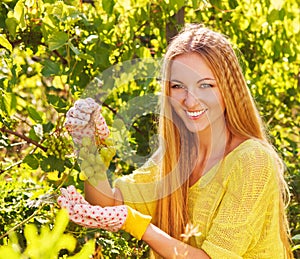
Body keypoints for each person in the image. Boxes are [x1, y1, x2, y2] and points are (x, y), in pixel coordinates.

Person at [58, 24, 294, 258]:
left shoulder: (252, 160)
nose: (190, 101)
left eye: (206, 85)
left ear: (228, 88)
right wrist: (88, 148)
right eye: (178, 86)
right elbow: (108, 204)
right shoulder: (176, 155)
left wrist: (138, 225)